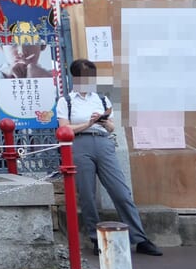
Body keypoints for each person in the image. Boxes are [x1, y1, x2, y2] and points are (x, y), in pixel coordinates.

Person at [56, 59, 162, 257]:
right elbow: (64, 128)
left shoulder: (102, 99)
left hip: (104, 142)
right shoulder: (66, 101)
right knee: (87, 195)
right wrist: (88, 124)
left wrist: (103, 122)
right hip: (80, 144)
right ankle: (96, 238)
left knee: (120, 191)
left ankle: (139, 238)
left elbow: (113, 126)